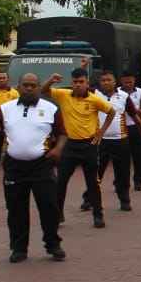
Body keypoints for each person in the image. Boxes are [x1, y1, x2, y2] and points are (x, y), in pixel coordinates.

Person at [0, 73, 67, 263]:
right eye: (25, 85)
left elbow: (62, 133)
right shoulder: (6, 108)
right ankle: (19, 248)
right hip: (14, 167)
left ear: (39, 87)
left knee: (49, 207)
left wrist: (58, 150)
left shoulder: (50, 108)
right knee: (16, 209)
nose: (29, 88)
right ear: (19, 87)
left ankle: (53, 244)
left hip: (42, 165)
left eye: (33, 85)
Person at [44, 68, 114, 229]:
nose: (78, 85)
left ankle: (98, 215)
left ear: (87, 83)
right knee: (61, 182)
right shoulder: (64, 95)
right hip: (69, 146)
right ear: (72, 83)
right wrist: (51, 79)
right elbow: (43, 91)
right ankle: (58, 215)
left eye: (81, 82)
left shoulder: (95, 100)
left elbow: (111, 111)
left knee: (93, 183)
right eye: (75, 82)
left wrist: (101, 132)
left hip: (89, 145)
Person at [93, 70, 141, 212]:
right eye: (103, 80)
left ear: (114, 82)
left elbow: (133, 115)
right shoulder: (94, 95)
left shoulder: (123, 97)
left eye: (108, 80)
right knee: (95, 172)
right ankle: (89, 199)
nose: (106, 82)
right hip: (101, 140)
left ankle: (124, 200)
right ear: (100, 82)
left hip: (120, 140)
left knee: (122, 172)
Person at [120, 72, 141, 190]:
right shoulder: (117, 93)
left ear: (134, 80)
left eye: (130, 82)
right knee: (123, 158)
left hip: (137, 128)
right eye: (125, 82)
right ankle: (121, 181)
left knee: (138, 156)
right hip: (122, 128)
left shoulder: (140, 93)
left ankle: (138, 181)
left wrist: (133, 110)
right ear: (121, 81)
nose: (128, 84)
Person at [0, 72, 20, 182]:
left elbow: (18, 108)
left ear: (8, 79)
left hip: (11, 123)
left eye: (4, 78)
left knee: (11, 148)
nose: (2, 80)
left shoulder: (15, 93)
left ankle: (11, 170)